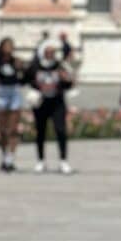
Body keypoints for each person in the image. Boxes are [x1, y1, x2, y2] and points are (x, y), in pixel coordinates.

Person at [26, 37, 73, 174]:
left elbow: (69, 83)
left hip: (57, 102)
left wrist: (66, 80)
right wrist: (34, 91)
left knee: (60, 130)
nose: (51, 54)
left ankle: (63, 161)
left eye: (53, 52)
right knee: (41, 131)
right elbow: (28, 80)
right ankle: (41, 160)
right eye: (48, 52)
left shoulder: (59, 65)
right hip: (41, 103)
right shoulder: (36, 66)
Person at [0, 37, 23, 172]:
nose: (9, 48)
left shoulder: (16, 61)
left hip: (14, 91)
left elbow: (23, 78)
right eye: (7, 45)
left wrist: (21, 69)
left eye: (11, 45)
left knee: (13, 128)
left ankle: (11, 158)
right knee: (3, 129)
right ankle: (4, 155)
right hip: (2, 92)